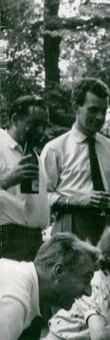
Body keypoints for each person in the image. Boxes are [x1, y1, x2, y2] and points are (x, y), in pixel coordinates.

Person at [41, 78, 110, 244]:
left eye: (104, 111)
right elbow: (42, 196)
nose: (100, 117)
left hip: (108, 229)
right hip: (70, 226)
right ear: (76, 107)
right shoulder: (55, 148)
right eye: (93, 110)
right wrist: (75, 200)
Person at [0, 95, 50, 262]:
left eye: (44, 125)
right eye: (35, 124)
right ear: (15, 119)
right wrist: (6, 181)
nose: (41, 131)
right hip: (9, 242)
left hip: (36, 242)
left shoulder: (33, 154)